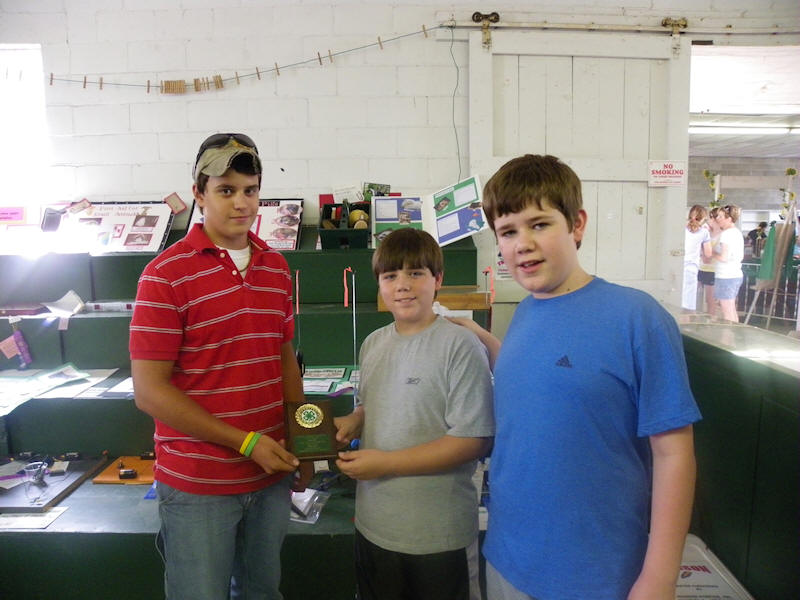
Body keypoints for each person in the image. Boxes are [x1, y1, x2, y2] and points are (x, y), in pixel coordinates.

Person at [455, 154, 701, 600]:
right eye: (508, 232)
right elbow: (544, 377)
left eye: (539, 224)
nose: (523, 243)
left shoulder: (637, 318)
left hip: (597, 572)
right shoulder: (525, 312)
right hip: (509, 560)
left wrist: (660, 577)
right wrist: (480, 337)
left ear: (577, 224)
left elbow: (674, 455)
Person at [129, 133, 303, 600]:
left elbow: (283, 356)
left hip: (270, 475)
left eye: (250, 190)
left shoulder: (276, 268)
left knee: (263, 593)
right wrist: (245, 442)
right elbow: (149, 392)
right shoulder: (164, 276)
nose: (241, 203)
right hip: (199, 484)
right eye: (226, 190)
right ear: (199, 194)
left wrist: (303, 440)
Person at [334, 227, 495, 600]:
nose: (402, 285)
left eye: (415, 273)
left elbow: (472, 441)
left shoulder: (461, 346)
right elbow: (371, 403)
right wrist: (356, 419)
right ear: (379, 284)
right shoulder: (373, 344)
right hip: (374, 528)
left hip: (438, 537)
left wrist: (386, 464)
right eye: (391, 276)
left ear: (437, 280)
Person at [712, 204, 745, 322]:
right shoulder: (736, 232)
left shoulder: (726, 234)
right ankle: (734, 331)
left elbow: (724, 257)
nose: (717, 219)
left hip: (726, 275)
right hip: (735, 274)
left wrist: (712, 253)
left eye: (721, 217)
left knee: (727, 311)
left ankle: (728, 333)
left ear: (729, 219)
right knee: (731, 309)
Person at [682, 205, 709, 311]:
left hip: (678, 266)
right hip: (691, 268)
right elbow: (708, 253)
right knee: (689, 300)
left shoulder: (681, 228)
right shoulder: (704, 232)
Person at [698, 206, 721, 316]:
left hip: (712, 270)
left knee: (710, 300)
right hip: (701, 268)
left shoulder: (722, 235)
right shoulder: (706, 232)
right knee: (694, 295)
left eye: (711, 218)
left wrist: (706, 252)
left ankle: (711, 320)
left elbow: (709, 256)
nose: (709, 220)